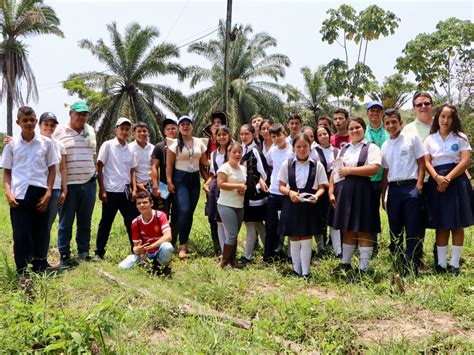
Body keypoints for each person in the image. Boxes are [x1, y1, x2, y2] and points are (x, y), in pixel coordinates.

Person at [1, 106, 58, 280]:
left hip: (40, 193)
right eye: (25, 120)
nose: (29, 123)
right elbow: (7, 171)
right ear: (18, 122)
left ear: (36, 121)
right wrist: (8, 193)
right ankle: (22, 270)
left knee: (40, 231)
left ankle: (40, 266)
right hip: (18, 194)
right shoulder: (11, 145)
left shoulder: (46, 143)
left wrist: (48, 193)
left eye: (32, 119)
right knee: (21, 234)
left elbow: (52, 169)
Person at [424, 104, 473, 275]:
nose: (445, 120)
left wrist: (448, 178)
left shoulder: (460, 138)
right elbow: (427, 162)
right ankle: (441, 264)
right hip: (436, 183)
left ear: (454, 119)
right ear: (437, 118)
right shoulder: (430, 139)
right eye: (442, 116)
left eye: (449, 117)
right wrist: (437, 178)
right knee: (441, 224)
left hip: (457, 181)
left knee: (457, 224)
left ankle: (454, 265)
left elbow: (465, 161)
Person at [330, 117, 382, 277]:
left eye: (357, 127)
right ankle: (345, 263)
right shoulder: (344, 149)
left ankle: (363, 268)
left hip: (363, 191)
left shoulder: (371, 147)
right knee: (347, 229)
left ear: (363, 129)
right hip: (344, 191)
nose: (354, 131)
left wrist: (350, 171)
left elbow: (375, 168)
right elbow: (336, 171)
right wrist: (331, 191)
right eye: (351, 128)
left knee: (364, 229)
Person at [381, 109, 426, 276]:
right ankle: (397, 263)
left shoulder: (411, 138)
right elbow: (385, 172)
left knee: (412, 228)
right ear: (384, 126)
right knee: (395, 228)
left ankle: (411, 266)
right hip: (393, 190)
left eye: (394, 122)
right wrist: (383, 194)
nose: (391, 125)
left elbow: (422, 162)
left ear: (400, 123)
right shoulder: (385, 145)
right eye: (387, 123)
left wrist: (419, 186)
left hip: (410, 188)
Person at [53, 100, 97, 267]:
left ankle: (83, 252)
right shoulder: (59, 131)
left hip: (89, 182)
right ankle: (64, 254)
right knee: (66, 221)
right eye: (78, 113)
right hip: (68, 185)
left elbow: (92, 154)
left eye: (84, 114)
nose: (81, 117)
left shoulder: (90, 130)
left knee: (85, 220)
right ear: (70, 113)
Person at [278, 133, 327, 277]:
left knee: (306, 237)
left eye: (305, 146)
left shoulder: (317, 165)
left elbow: (322, 187)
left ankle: (306, 272)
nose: (302, 149)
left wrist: (316, 197)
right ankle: (296, 270)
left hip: (309, 205)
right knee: (293, 237)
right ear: (293, 148)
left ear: (310, 147)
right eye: (298, 147)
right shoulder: (286, 164)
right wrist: (290, 193)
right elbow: (280, 185)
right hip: (291, 203)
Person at [95, 117, 138, 259]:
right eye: (122, 129)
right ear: (116, 129)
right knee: (106, 223)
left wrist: (135, 189)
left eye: (127, 129)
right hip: (110, 191)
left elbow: (132, 170)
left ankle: (136, 250)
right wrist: (102, 189)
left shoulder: (130, 149)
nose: (124, 132)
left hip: (126, 192)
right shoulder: (107, 145)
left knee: (131, 222)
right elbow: (99, 167)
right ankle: (99, 252)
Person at [166, 115, 208, 259]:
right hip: (180, 179)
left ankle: (185, 243)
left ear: (192, 126)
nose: (185, 126)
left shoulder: (199, 142)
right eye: (182, 124)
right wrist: (170, 181)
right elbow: (169, 164)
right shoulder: (174, 144)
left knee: (189, 212)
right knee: (183, 210)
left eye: (188, 124)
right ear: (179, 127)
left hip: (194, 179)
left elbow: (205, 162)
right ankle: (182, 246)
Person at [402, 91, 434, 268]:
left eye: (426, 103)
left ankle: (441, 258)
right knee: (417, 222)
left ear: (432, 105)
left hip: (441, 181)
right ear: (414, 108)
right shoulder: (408, 129)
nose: (423, 107)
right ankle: (416, 258)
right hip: (418, 182)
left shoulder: (441, 124)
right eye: (419, 104)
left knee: (442, 220)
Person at [118, 191, 174, 274]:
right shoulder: (135, 222)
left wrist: (151, 246)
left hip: (159, 252)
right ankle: (147, 264)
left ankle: (162, 268)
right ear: (136, 206)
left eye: (145, 202)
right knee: (122, 267)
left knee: (167, 247)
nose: (142, 205)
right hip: (145, 254)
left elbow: (168, 236)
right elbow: (135, 248)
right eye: (139, 203)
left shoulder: (160, 216)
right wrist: (139, 249)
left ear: (151, 203)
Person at [239, 124, 269, 263]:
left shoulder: (256, 151)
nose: (244, 137)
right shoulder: (241, 150)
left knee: (251, 223)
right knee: (257, 223)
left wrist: (257, 186)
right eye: (242, 134)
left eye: (247, 134)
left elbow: (264, 173)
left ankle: (248, 256)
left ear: (252, 135)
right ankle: (269, 252)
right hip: (245, 193)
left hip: (254, 195)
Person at [264, 123, 294, 262]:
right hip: (273, 192)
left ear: (285, 134)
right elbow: (269, 164)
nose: (276, 139)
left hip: (288, 193)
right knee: (271, 225)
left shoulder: (292, 150)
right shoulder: (272, 151)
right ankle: (270, 254)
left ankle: (290, 255)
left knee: (289, 225)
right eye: (273, 136)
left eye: (279, 135)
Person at [217, 142, 248, 268]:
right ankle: (224, 263)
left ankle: (233, 261)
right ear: (228, 153)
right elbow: (220, 184)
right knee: (231, 234)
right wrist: (237, 186)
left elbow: (243, 184)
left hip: (239, 205)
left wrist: (243, 189)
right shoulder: (224, 168)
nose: (237, 154)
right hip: (226, 205)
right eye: (234, 152)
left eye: (239, 152)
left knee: (234, 234)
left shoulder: (243, 168)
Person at [203, 125, 232, 255]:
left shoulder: (233, 151)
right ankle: (222, 251)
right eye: (219, 135)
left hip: (230, 187)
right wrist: (206, 184)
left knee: (229, 221)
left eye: (224, 134)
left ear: (229, 135)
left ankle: (230, 251)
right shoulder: (213, 154)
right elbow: (214, 173)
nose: (221, 137)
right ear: (215, 137)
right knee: (219, 220)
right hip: (216, 189)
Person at [365, 100, 389, 254]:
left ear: (382, 114)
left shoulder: (387, 131)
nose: (375, 113)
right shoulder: (362, 132)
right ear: (368, 113)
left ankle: (395, 243)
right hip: (367, 180)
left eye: (378, 111)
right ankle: (371, 245)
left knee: (390, 209)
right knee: (370, 212)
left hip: (386, 178)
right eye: (372, 111)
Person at [314, 126, 341, 257]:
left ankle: (338, 251)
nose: (323, 136)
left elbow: (340, 170)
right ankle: (321, 248)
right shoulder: (314, 151)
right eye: (320, 135)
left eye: (325, 133)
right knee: (319, 219)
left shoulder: (338, 151)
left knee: (334, 219)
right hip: (319, 189)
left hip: (335, 189)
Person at [151, 117, 178, 243]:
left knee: (178, 214)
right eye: (168, 129)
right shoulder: (159, 147)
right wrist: (155, 187)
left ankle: (173, 241)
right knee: (162, 214)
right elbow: (154, 167)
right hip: (163, 186)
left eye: (173, 128)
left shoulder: (182, 145)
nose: (171, 131)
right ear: (164, 132)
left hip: (179, 186)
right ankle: (161, 241)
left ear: (177, 130)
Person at [130, 122, 155, 200]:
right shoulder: (129, 148)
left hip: (152, 186)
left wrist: (155, 185)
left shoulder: (153, 148)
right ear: (134, 133)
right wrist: (136, 186)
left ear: (147, 132)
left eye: (144, 131)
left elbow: (155, 168)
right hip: (137, 187)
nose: (142, 133)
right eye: (139, 131)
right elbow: (130, 170)